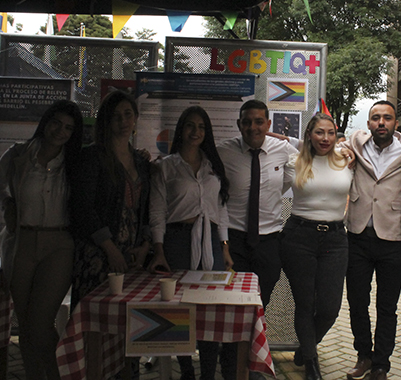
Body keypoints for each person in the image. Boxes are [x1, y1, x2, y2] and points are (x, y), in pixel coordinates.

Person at [148, 106, 233, 380]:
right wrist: (159, 250)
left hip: (210, 241)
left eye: (201, 127)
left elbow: (220, 208)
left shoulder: (213, 166)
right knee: (178, 310)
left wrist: (225, 247)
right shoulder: (165, 166)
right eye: (190, 126)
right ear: (181, 130)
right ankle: (186, 369)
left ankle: (208, 371)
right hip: (177, 242)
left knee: (211, 307)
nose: (195, 132)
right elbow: (157, 212)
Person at [0, 100, 82, 380]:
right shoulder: (18, 155)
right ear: (46, 122)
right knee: (25, 322)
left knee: (40, 322)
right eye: (57, 122)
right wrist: (7, 206)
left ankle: (59, 374)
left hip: (58, 245)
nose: (61, 131)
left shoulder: (75, 163)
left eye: (69, 128)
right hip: (22, 241)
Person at [216, 99, 298, 380]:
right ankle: (230, 368)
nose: (253, 127)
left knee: (259, 308)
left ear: (268, 124)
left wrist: (285, 137)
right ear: (239, 124)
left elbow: (310, 149)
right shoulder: (223, 152)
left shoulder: (282, 150)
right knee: (232, 309)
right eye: (247, 122)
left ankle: (252, 366)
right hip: (234, 243)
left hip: (269, 243)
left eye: (259, 121)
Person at [281, 113, 353, 380]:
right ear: (309, 134)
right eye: (320, 132)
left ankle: (306, 347)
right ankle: (311, 362)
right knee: (304, 302)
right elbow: (269, 190)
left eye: (331, 133)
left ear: (336, 135)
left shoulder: (347, 160)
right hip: (300, 237)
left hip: (335, 240)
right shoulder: (294, 161)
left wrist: (347, 147)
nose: (325, 138)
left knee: (329, 308)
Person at [342, 100, 401, 380]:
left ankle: (381, 364)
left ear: (396, 123)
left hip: (393, 237)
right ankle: (363, 356)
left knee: (387, 306)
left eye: (387, 118)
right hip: (357, 234)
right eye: (376, 118)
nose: (382, 122)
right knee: (357, 302)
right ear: (368, 124)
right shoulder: (355, 144)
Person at [69, 90, 151, 311]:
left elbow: (146, 210)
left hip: (131, 257)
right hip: (98, 253)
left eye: (127, 114)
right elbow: (82, 207)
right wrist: (110, 249)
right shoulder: (92, 157)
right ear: (106, 121)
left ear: (135, 117)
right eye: (115, 116)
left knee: (125, 323)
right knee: (93, 319)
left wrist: (145, 245)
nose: (123, 121)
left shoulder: (141, 162)